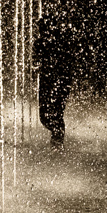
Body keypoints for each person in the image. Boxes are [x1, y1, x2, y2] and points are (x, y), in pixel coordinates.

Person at [34, 9, 77, 146]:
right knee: (48, 115)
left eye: (41, 27)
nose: (39, 30)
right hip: (53, 80)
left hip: (58, 80)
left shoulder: (54, 41)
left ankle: (57, 143)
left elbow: (69, 59)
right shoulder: (44, 42)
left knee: (53, 113)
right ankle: (57, 140)